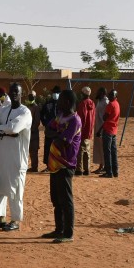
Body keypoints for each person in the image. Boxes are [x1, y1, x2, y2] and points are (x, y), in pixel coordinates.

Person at [0, 82, 32, 231]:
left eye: (16, 92)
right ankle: (1, 217)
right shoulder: (3, 110)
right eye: (11, 91)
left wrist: (0, 130)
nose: (13, 94)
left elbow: (15, 128)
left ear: (21, 94)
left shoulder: (25, 112)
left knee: (15, 190)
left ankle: (15, 220)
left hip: (16, 158)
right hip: (0, 155)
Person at [44, 89, 82, 243]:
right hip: (54, 163)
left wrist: (55, 135)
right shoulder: (60, 116)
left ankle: (68, 233)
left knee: (66, 199)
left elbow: (64, 141)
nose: (57, 103)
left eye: (60, 100)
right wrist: (56, 135)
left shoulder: (74, 120)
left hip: (66, 164)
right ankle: (58, 229)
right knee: (56, 199)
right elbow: (47, 130)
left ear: (67, 102)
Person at [98, 90, 120, 178]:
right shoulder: (117, 104)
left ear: (114, 96)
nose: (110, 97)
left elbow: (105, 117)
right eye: (110, 95)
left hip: (108, 130)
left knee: (107, 152)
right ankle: (115, 171)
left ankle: (109, 172)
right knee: (113, 152)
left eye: (111, 95)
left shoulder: (110, 105)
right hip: (114, 130)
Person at [76, 86, 96, 176]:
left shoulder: (82, 104)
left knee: (80, 151)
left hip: (82, 130)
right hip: (89, 130)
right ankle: (87, 169)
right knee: (87, 150)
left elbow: (81, 118)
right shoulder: (92, 103)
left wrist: (78, 129)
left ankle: (79, 169)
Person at [40, 85, 60, 170]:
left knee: (57, 148)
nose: (55, 94)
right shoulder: (48, 103)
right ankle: (48, 165)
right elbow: (42, 114)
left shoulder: (62, 104)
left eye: (56, 92)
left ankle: (57, 165)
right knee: (48, 147)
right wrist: (45, 123)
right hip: (49, 130)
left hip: (59, 131)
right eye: (54, 92)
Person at [92, 87, 108, 173]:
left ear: (102, 93)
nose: (96, 93)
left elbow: (106, 117)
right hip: (97, 127)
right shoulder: (99, 101)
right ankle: (101, 166)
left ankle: (105, 166)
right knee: (98, 148)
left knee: (103, 148)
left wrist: (101, 128)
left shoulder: (106, 102)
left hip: (102, 128)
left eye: (98, 91)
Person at [25, 90, 41, 172]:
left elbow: (37, 121)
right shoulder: (28, 107)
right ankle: (32, 166)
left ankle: (35, 167)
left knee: (34, 150)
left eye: (32, 96)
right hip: (28, 131)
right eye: (29, 96)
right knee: (29, 150)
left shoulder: (36, 107)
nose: (30, 97)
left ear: (34, 97)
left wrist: (32, 130)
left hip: (33, 132)